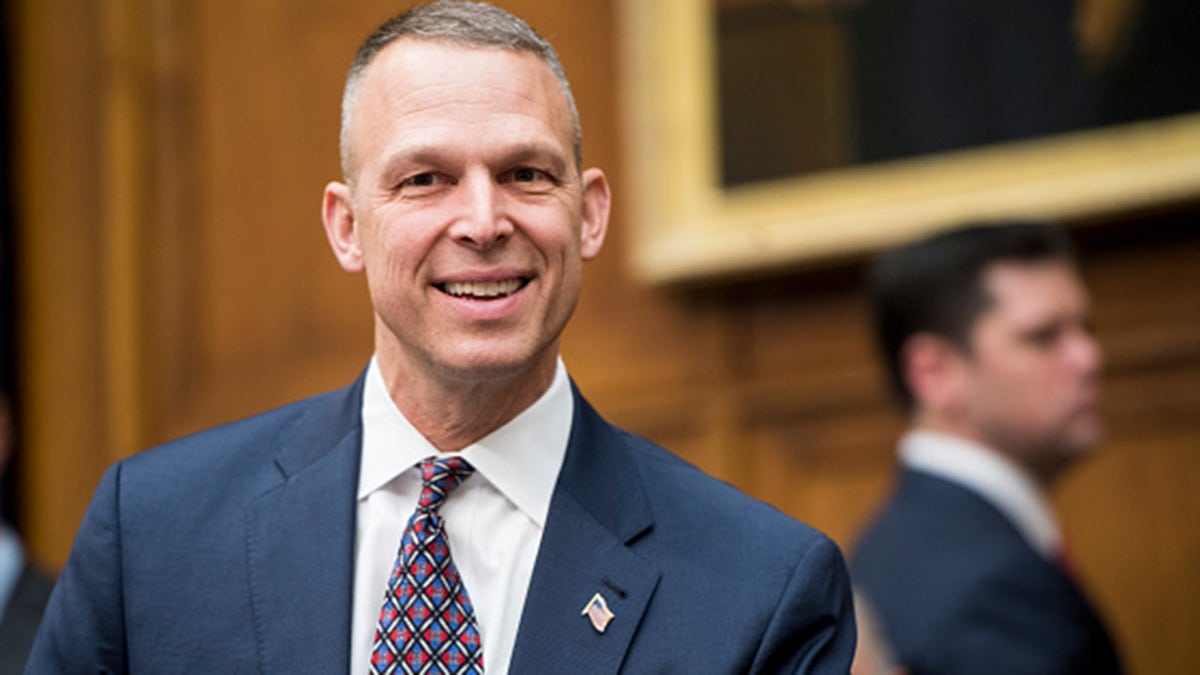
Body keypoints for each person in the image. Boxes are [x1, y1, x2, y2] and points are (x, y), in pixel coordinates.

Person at [27, 2, 856, 672]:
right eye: (426, 180)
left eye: (526, 174)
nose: (484, 221)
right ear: (347, 227)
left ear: (590, 212)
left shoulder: (762, 589)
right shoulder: (154, 537)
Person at [850, 222, 1124, 674]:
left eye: (1085, 329)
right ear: (934, 373)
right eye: (1043, 336)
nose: (1089, 358)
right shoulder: (994, 595)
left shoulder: (900, 542)